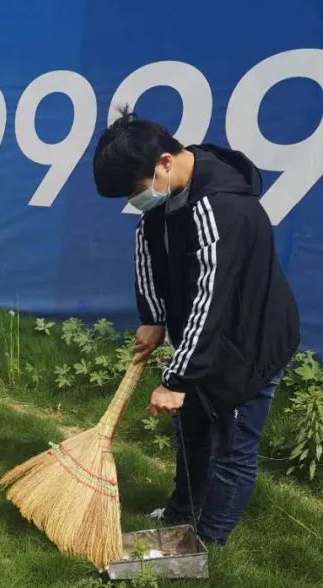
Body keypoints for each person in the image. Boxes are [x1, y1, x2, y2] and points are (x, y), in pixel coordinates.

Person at [93, 109, 300, 546]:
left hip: (249, 342)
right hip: (203, 337)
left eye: (135, 190)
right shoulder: (167, 195)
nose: (135, 200)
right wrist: (153, 317)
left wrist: (176, 379)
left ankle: (207, 542)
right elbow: (148, 251)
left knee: (233, 446)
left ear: (166, 161)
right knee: (191, 430)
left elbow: (212, 299)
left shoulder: (222, 207)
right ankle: (183, 510)